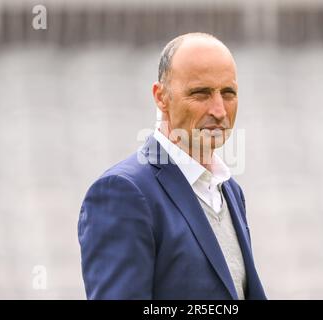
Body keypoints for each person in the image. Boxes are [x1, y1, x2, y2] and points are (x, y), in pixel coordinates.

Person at [78, 32, 266, 300]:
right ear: (161, 96)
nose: (219, 110)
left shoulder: (230, 191)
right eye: (201, 93)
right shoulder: (123, 192)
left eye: (228, 93)